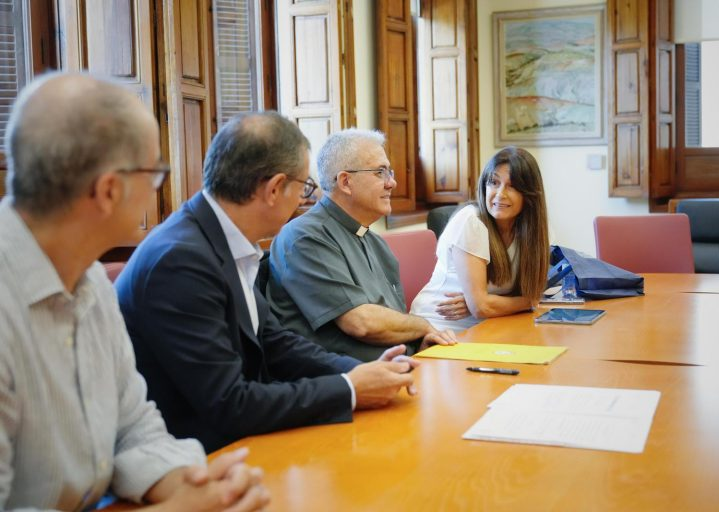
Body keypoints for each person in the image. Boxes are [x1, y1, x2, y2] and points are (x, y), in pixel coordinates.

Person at [0, 73, 269, 510]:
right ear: (108, 190)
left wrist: (193, 482)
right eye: (156, 172)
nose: (159, 188)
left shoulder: (89, 283)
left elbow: (134, 425)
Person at [116, 113, 418, 454]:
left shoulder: (217, 238)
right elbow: (229, 403)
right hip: (195, 456)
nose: (305, 200)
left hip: (240, 433)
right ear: (275, 188)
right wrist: (348, 388)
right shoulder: (180, 260)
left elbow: (275, 341)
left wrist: (362, 372)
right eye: (304, 187)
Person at [267, 129, 457, 361]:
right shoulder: (304, 237)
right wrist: (424, 326)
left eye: (390, 172)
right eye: (380, 172)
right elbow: (362, 323)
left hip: (399, 368)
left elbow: (392, 321)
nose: (393, 183)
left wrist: (419, 343)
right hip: (342, 384)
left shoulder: (374, 242)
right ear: (346, 182)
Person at [410, 146, 550, 331]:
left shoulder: (529, 230)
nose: (500, 194)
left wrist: (491, 303)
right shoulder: (471, 221)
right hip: (441, 329)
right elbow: (481, 307)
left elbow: (527, 293)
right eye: (493, 182)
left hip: (491, 326)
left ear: (530, 194)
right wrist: (528, 302)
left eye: (512, 186)